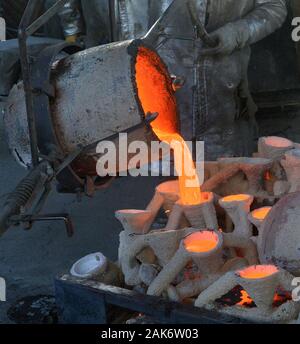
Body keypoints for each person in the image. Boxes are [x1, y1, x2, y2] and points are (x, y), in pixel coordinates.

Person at [51, 0, 288, 160]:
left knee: (222, 194)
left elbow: (273, 6)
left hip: (219, 102)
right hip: (136, 101)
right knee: (155, 204)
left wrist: (234, 34)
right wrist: (75, 41)